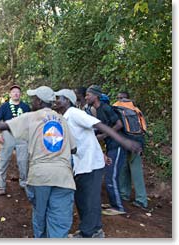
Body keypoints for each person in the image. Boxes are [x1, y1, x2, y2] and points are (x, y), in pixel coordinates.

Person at [0, 86, 76, 238]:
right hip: (64, 178)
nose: (32, 101)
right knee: (59, 221)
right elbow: (74, 149)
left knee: (40, 215)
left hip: (40, 177)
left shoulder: (32, 117)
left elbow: (1, 125)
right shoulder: (62, 120)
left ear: (39, 101)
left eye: (33, 98)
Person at [54, 89, 142, 238]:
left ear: (67, 101)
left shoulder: (75, 113)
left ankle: (87, 234)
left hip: (90, 164)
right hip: (84, 163)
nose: (56, 101)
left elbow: (99, 125)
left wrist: (124, 141)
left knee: (86, 199)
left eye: (59, 98)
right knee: (87, 199)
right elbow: (87, 137)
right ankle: (95, 231)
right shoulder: (65, 117)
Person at [85, 85, 127, 216]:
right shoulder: (97, 110)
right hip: (111, 147)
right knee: (109, 176)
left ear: (96, 96)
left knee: (111, 177)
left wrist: (104, 135)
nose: (86, 97)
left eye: (88, 95)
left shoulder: (106, 108)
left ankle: (119, 207)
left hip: (118, 146)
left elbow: (119, 124)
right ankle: (114, 203)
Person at [0, 85, 30, 195]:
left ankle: (24, 183)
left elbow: (30, 122)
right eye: (13, 92)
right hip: (8, 134)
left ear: (21, 94)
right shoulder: (4, 107)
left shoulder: (25, 107)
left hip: (22, 135)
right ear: (10, 94)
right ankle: (1, 185)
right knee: (4, 160)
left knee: (23, 161)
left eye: (18, 92)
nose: (16, 94)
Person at [115, 92, 148, 210]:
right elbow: (144, 128)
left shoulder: (116, 107)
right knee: (137, 171)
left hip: (124, 142)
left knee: (123, 169)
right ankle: (141, 200)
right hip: (137, 143)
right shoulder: (136, 109)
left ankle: (124, 195)